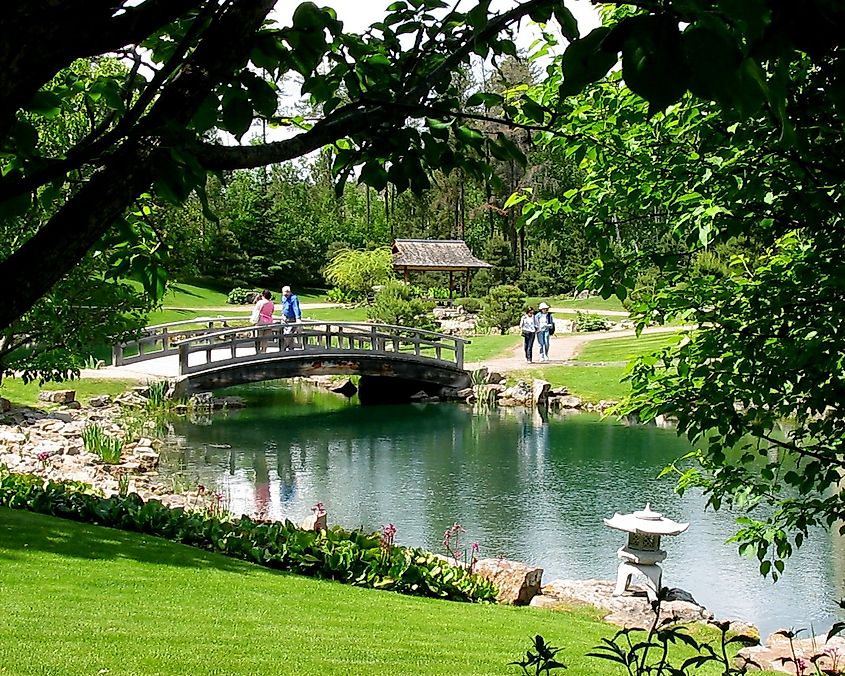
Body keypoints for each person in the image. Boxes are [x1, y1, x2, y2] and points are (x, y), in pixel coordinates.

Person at [280, 285, 302, 350]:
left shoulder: (294, 298)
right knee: (286, 334)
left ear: (290, 292)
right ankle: (291, 348)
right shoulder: (283, 297)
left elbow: (296, 308)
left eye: (287, 292)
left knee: (288, 334)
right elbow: (284, 306)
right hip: (285, 318)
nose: (286, 294)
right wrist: (282, 314)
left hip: (292, 318)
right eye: (285, 292)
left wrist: (298, 318)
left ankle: (283, 348)